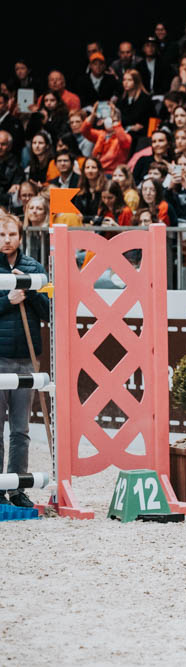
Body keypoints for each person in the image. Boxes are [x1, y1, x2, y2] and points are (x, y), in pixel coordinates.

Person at [0, 214, 49, 508]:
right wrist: (8, 299)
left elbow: (47, 311)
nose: (6, 240)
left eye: (11, 235)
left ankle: (17, 486)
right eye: (2, 235)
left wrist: (28, 291)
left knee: (21, 429)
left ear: (21, 236)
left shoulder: (34, 267)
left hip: (26, 358)